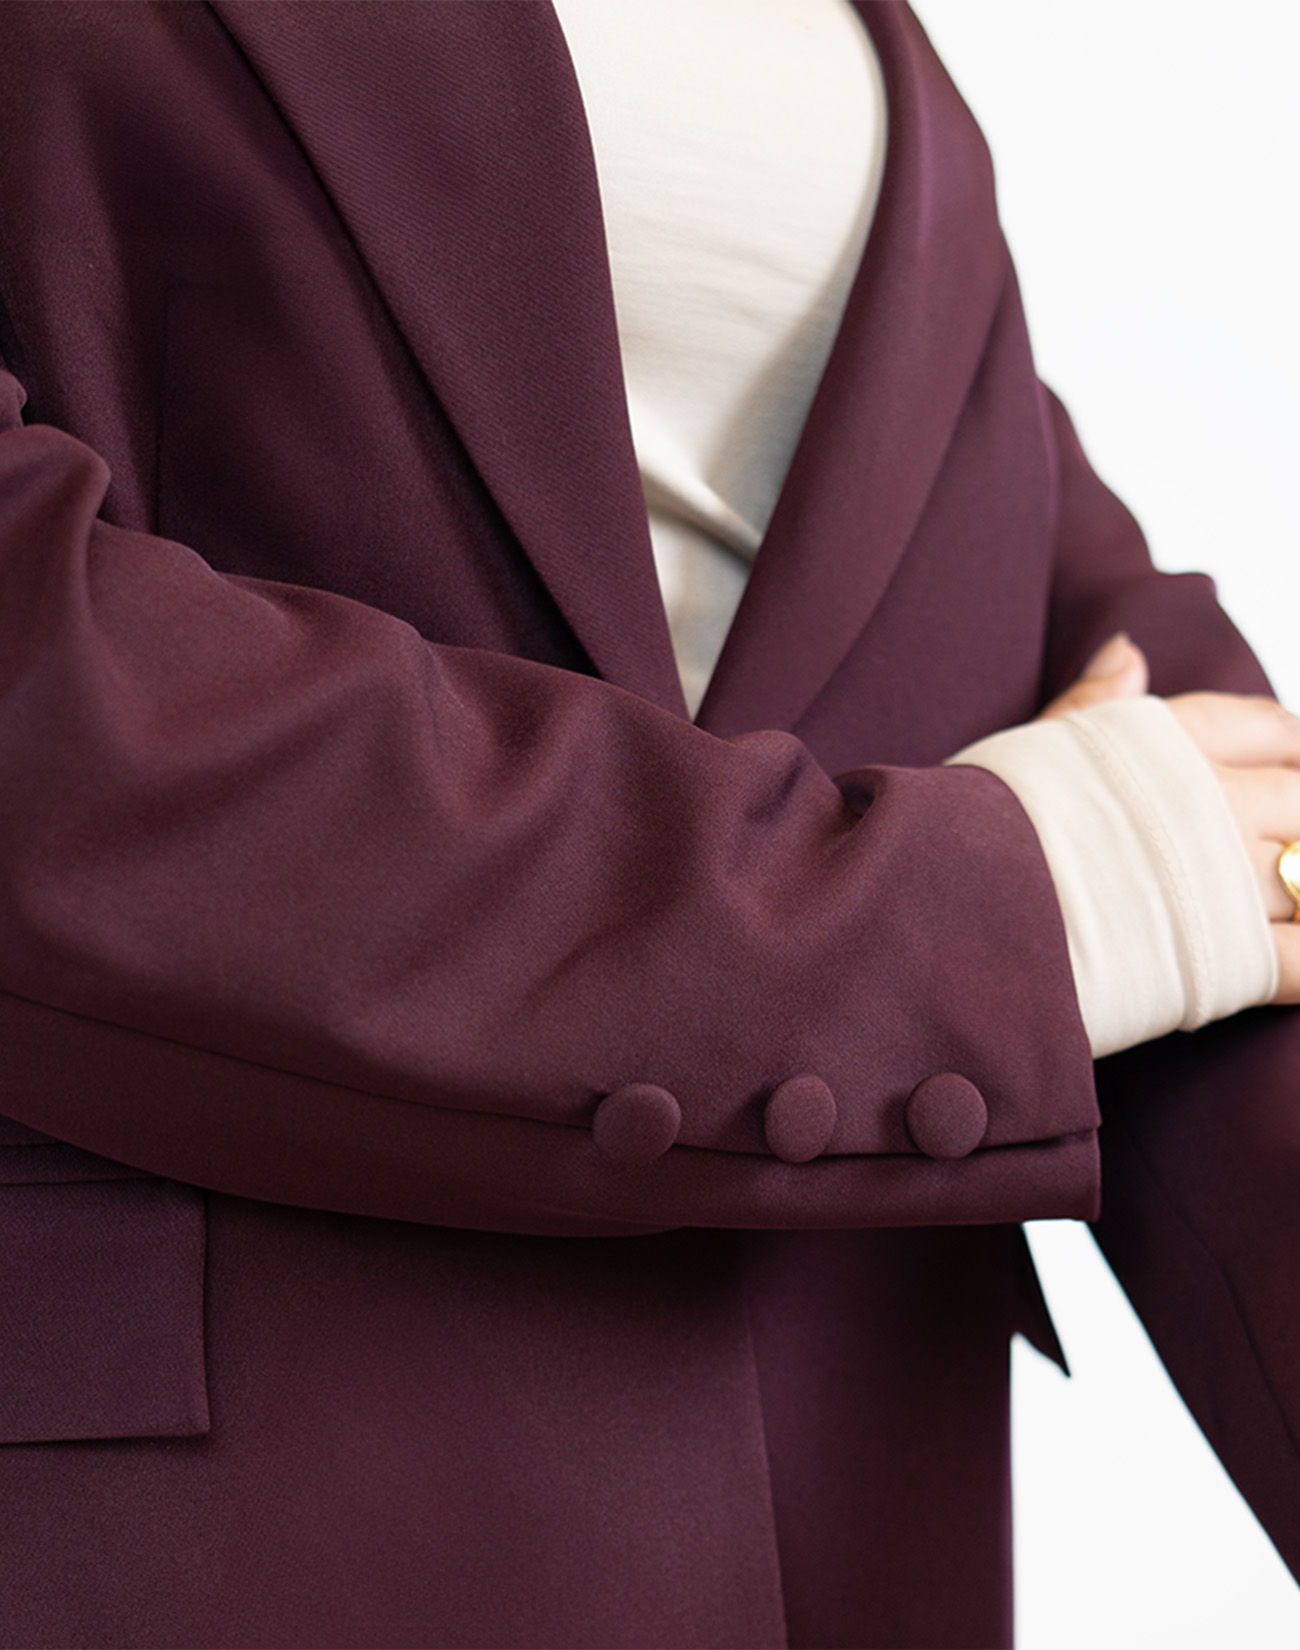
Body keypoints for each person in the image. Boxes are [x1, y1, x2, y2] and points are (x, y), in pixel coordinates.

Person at [0, 3, 1297, 1646]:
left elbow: (1152, 756)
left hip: (851, 1479)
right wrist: (976, 913)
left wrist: (1163, 876)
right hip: (243, 1496)